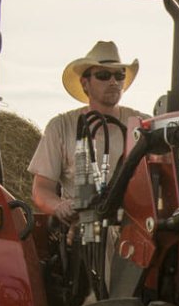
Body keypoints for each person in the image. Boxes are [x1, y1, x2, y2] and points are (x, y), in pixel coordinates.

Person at [29, 41, 146, 224]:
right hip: (84, 233)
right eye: (103, 75)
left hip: (135, 229)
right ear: (85, 84)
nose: (114, 82)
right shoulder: (61, 126)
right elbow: (41, 189)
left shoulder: (143, 124)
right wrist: (60, 206)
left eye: (119, 75)